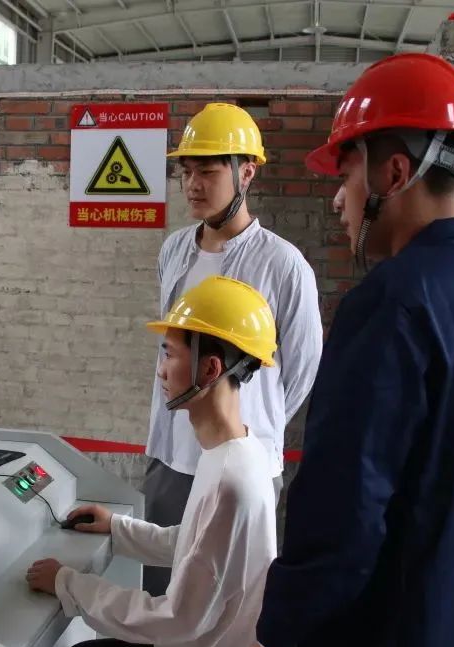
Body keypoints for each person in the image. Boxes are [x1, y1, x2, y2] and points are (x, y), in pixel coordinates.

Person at [247, 53, 454, 647]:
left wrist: (280, 628)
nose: (339, 199)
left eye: (346, 173)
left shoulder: (391, 303)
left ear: (394, 172)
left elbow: (345, 505)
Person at [25, 275, 281, 647]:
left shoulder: (231, 481)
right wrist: (118, 528)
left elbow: (176, 617)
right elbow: (196, 546)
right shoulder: (238, 451)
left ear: (209, 370)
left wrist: (69, 583)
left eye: (170, 354)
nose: (161, 371)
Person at [144, 102, 323, 595]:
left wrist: (252, 422)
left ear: (247, 172)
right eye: (186, 171)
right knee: (162, 586)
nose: (193, 184)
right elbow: (174, 347)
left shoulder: (283, 265)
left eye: (208, 171)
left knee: (229, 598)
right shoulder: (174, 250)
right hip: (171, 454)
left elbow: (301, 368)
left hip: (244, 462)